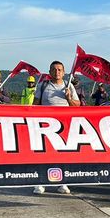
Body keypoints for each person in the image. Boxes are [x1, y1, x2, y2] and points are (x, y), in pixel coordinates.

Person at [31, 61, 80, 194]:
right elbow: (35, 105)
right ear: (50, 71)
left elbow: (77, 106)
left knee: (62, 156)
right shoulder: (43, 85)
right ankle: (40, 183)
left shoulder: (68, 86)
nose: (57, 72)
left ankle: (62, 183)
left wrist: (69, 98)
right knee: (43, 155)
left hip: (64, 127)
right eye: (54, 69)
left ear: (63, 73)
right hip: (45, 126)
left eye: (59, 70)